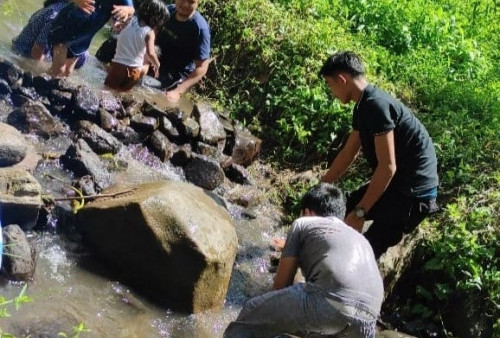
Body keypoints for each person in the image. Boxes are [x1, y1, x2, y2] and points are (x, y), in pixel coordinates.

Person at [319, 51, 439, 259]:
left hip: (413, 195)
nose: (332, 92)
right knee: (338, 207)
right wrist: (322, 184)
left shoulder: (376, 105)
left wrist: (360, 212)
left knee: (363, 252)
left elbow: (388, 167)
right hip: (397, 185)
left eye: (330, 85)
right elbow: (349, 153)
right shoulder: (363, 106)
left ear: (342, 79)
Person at [224, 183, 384, 338]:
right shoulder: (359, 238)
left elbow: (280, 287)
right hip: (368, 319)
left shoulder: (304, 223)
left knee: (252, 311)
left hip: (330, 303)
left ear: (307, 212)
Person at [47, 0, 135, 77]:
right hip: (64, 27)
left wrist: (127, 11)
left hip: (82, 39)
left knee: (68, 72)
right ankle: (38, 83)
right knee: (58, 68)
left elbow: (131, 9)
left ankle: (51, 88)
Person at [104, 0, 169, 91]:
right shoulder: (150, 32)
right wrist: (157, 64)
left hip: (118, 66)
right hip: (135, 70)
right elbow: (150, 53)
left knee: (107, 90)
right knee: (121, 93)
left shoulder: (130, 20)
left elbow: (118, 27)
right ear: (157, 19)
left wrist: (118, 25)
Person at [155, 0, 211, 102]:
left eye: (191, 1)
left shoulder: (200, 28)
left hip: (176, 74)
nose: (185, 4)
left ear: (198, 2)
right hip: (156, 61)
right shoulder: (168, 11)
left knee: (150, 90)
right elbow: (152, 33)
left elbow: (202, 67)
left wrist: (178, 91)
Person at [11, 0, 88, 69]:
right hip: (24, 52)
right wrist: (38, 72)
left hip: (31, 47)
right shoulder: (58, 16)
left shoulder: (62, 5)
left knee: (82, 54)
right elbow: (37, 51)